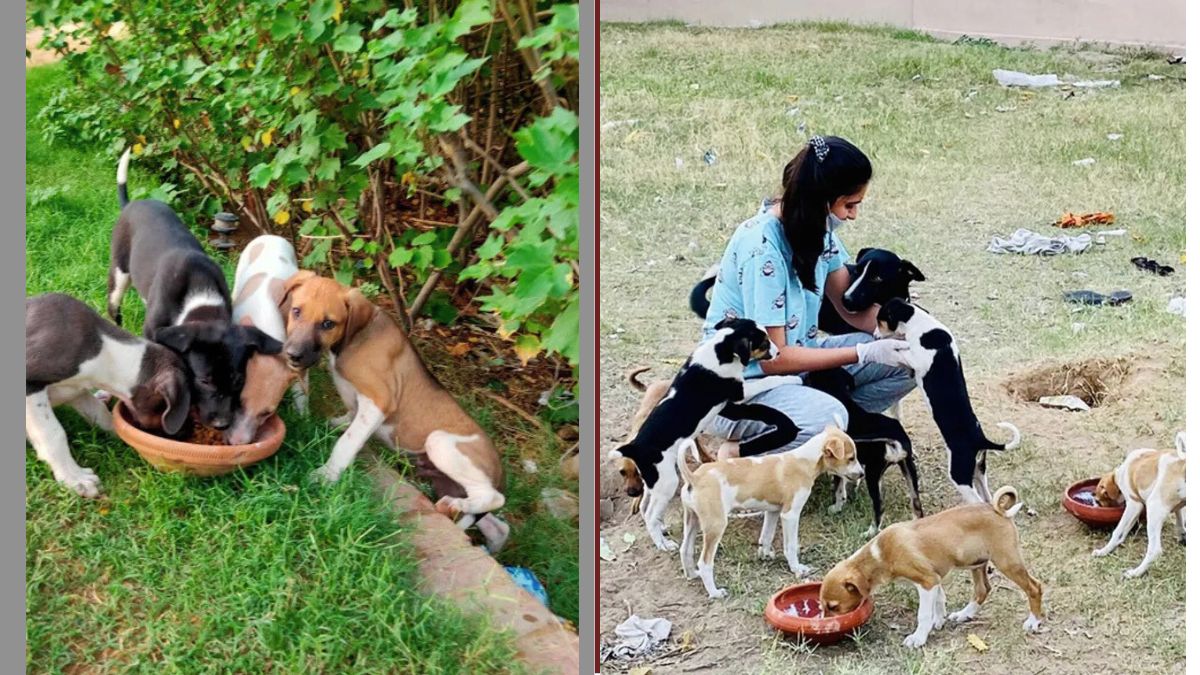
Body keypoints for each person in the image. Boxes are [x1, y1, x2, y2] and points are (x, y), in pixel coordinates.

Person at [702, 135, 916, 455]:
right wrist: (864, 353)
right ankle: (739, 454)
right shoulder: (764, 249)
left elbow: (848, 306)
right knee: (827, 416)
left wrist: (916, 331)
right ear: (822, 200)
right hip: (740, 388)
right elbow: (775, 359)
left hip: (798, 365)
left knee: (911, 358)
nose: (853, 215)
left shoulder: (816, 231)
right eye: (849, 204)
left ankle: (835, 429)